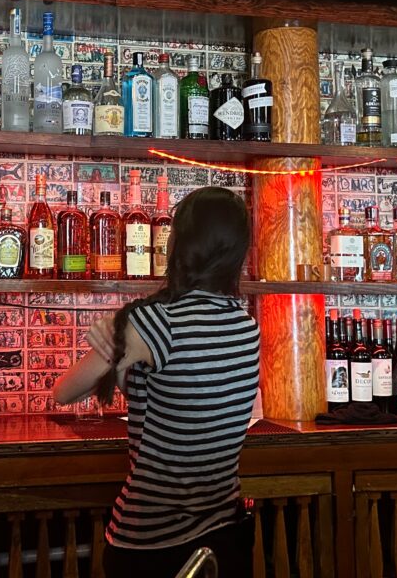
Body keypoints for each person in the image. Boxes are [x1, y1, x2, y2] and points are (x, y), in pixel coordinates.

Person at [53, 186, 260, 578]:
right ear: (238, 252)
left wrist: (118, 333)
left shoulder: (158, 322)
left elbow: (63, 392)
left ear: (179, 243)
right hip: (224, 534)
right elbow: (183, 391)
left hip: (152, 540)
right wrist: (121, 339)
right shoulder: (246, 325)